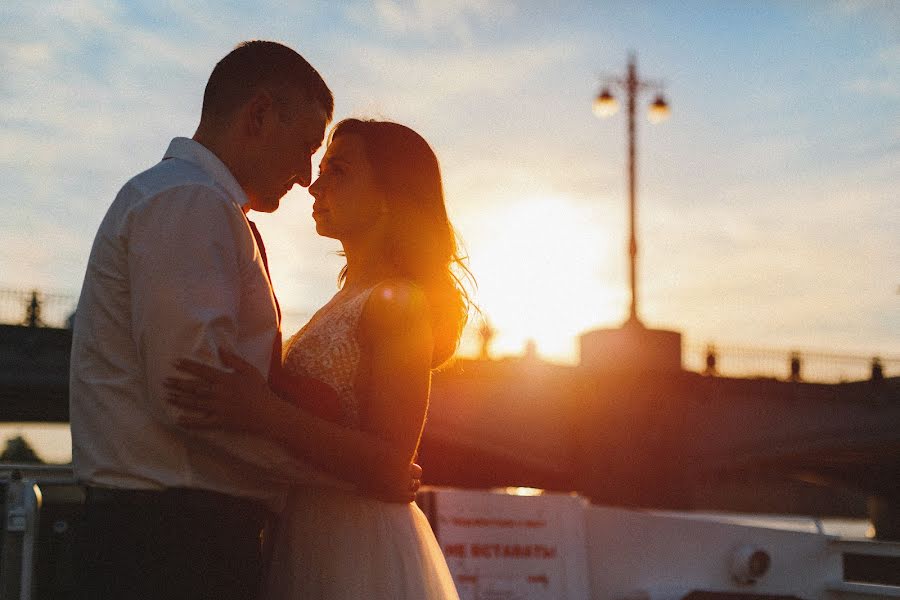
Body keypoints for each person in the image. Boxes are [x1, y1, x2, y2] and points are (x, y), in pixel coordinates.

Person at [68, 42, 418, 600]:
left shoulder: (190, 201)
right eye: (306, 147)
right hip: (172, 544)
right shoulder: (191, 202)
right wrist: (353, 473)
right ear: (257, 115)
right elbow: (196, 399)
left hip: (169, 537)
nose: (307, 176)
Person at [165, 119, 472, 599]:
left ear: (392, 195)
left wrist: (260, 410)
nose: (314, 186)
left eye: (339, 171)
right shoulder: (349, 298)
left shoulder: (399, 302)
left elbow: (392, 462)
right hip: (311, 535)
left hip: (358, 549)